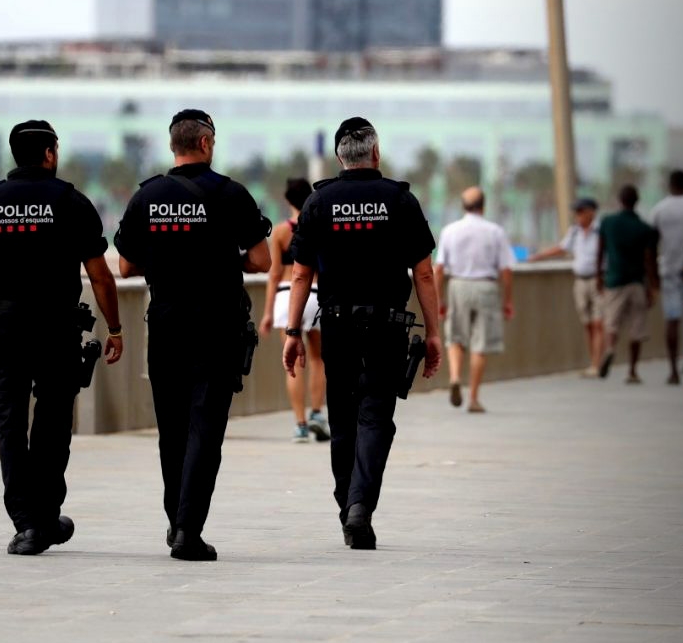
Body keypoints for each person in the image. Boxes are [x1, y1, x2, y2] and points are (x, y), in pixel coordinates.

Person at [0, 120, 123, 555]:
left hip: (3, 331)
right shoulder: (70, 200)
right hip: (56, 330)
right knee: (52, 423)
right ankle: (44, 514)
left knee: (9, 426)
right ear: (49, 154)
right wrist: (115, 327)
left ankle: (29, 523)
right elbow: (100, 276)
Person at [115, 109, 272, 561]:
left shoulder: (148, 197)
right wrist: (225, 262)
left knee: (172, 429)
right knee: (205, 428)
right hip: (216, 325)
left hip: (165, 323)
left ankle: (175, 521)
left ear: (173, 146)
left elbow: (125, 266)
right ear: (205, 144)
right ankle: (188, 529)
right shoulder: (231, 194)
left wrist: (167, 261)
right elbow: (260, 261)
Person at [282, 117, 442, 550]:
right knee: (375, 416)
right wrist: (434, 333)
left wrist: (293, 330)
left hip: (336, 326)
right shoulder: (400, 200)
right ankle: (360, 507)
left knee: (343, 418)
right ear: (376, 152)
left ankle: (347, 506)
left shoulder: (319, 202)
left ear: (339, 157)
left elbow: (300, 276)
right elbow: (424, 273)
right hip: (387, 327)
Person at [434, 186, 516, 413]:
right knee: (480, 345)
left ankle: (454, 377)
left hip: (458, 285)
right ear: (483, 205)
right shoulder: (495, 231)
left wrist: (438, 299)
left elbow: (438, 269)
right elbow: (506, 270)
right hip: (486, 287)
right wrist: (508, 300)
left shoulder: (450, 231)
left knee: (456, 337)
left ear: (464, 206)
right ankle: (473, 398)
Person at [260, 177, 330, 443]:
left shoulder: (279, 232)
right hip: (313, 294)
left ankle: (300, 424)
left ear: (288, 200)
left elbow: (274, 274)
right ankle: (316, 413)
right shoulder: (319, 227)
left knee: (292, 364)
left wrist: (268, 313)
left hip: (284, 298)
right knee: (316, 359)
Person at [528, 197, 604, 377]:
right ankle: (593, 360)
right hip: (580, 281)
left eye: (581, 212)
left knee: (598, 322)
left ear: (591, 212)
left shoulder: (602, 231)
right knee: (587, 323)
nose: (578, 216)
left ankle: (597, 363)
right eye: (576, 213)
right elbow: (561, 248)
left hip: (598, 280)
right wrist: (539, 256)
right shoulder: (575, 232)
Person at [597, 184, 659, 383]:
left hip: (614, 280)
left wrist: (599, 276)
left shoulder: (608, 223)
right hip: (636, 281)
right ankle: (632, 370)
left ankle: (609, 349)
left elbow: (601, 251)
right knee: (636, 327)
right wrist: (652, 286)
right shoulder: (644, 229)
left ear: (620, 200)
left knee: (611, 322)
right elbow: (650, 260)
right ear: (636, 202)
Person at [650, 170, 683, 384]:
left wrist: (652, 277)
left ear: (669, 186)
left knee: (672, 320)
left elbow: (651, 245)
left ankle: (673, 370)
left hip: (668, 269)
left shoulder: (659, 209)